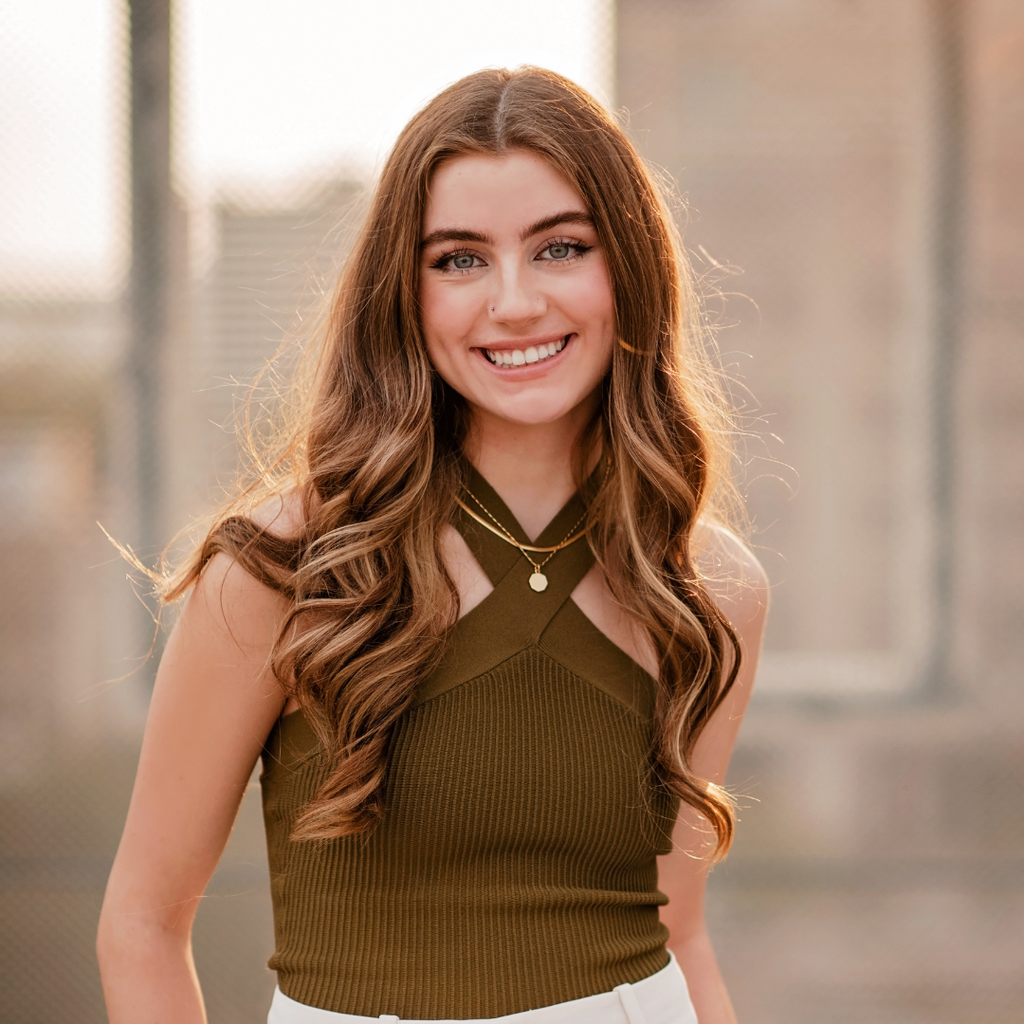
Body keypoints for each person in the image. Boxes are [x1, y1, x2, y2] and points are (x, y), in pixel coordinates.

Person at [97, 67, 769, 1024]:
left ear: (629, 266)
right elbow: (142, 926)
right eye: (459, 259)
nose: (514, 302)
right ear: (402, 293)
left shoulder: (711, 585)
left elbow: (684, 931)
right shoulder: (281, 568)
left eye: (561, 248)